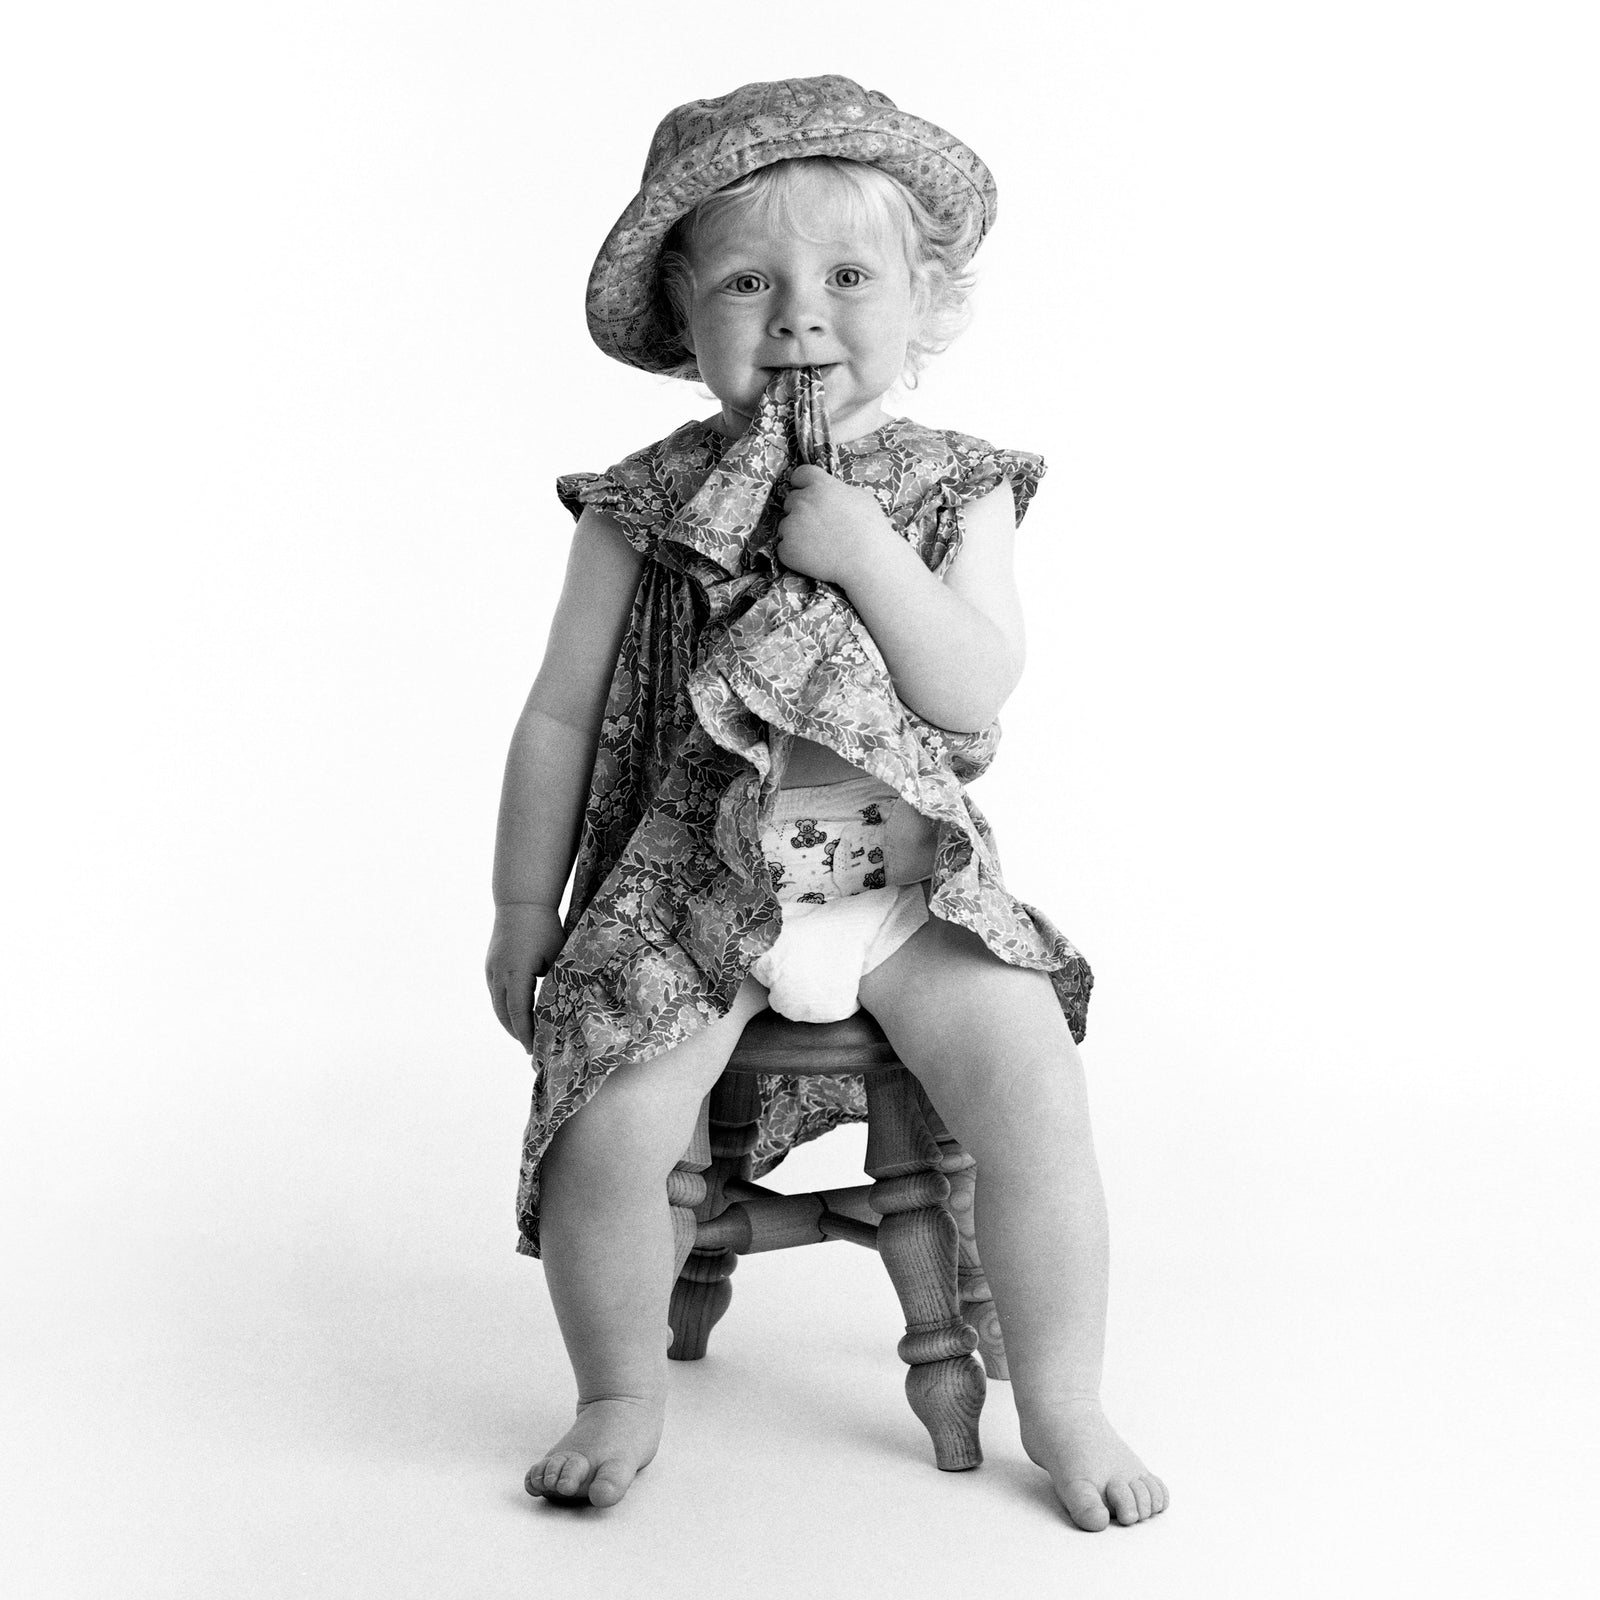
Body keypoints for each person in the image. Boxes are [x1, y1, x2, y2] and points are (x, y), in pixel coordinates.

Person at [486, 74, 1167, 1529]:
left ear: (927, 300)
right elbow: (555, 717)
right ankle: (620, 1388)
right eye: (747, 281)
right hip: (692, 895)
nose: (799, 315)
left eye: (849, 276)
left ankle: (1064, 1395)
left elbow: (971, 693)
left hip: (902, 896)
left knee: (1036, 1090)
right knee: (611, 1122)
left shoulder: (947, 491)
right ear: (684, 320)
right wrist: (516, 914)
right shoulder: (636, 506)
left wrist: (865, 555)